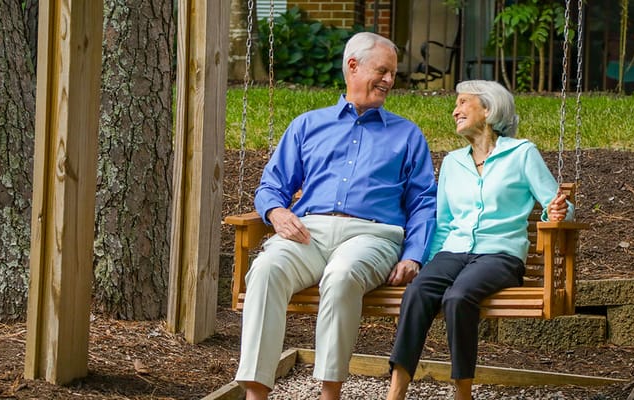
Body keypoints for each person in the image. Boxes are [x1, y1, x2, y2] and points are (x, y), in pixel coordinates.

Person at [234, 31, 437, 400]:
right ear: (353, 66)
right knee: (264, 270)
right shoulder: (308, 125)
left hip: (372, 235)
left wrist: (413, 255)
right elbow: (271, 186)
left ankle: (330, 394)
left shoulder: (407, 135)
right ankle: (255, 394)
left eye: (393, 73)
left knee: (342, 275)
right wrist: (277, 212)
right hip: (307, 232)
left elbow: (424, 201)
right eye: (383, 71)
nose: (390, 80)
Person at [385, 80, 572, 400]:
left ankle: (462, 392)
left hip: (499, 255)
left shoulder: (522, 153)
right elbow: (443, 223)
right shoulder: (453, 163)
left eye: (463, 103)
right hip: (453, 251)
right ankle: (396, 391)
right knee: (418, 292)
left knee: (458, 297)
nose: (455, 110)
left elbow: (562, 211)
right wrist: (429, 264)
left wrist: (555, 212)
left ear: (488, 109)